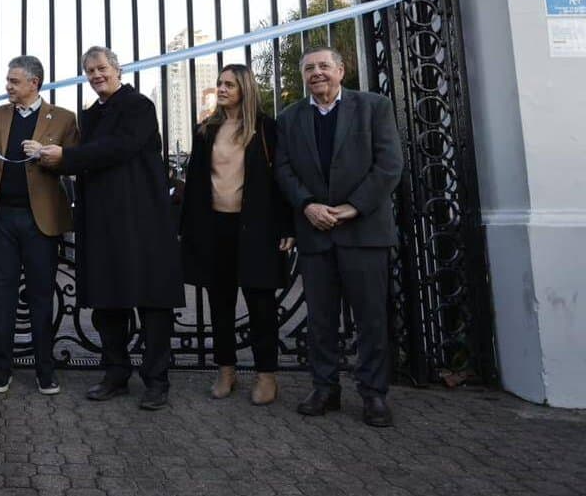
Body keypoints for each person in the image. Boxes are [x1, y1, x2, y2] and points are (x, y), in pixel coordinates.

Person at [38, 46, 184, 411]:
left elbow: (120, 147)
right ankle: (115, 373)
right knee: (107, 301)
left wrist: (67, 157)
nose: (96, 75)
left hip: (142, 218)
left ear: (117, 69)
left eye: (101, 68)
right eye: (90, 71)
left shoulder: (139, 106)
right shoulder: (90, 115)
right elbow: (82, 159)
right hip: (102, 220)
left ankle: (156, 380)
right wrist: (53, 158)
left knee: (152, 302)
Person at [274, 46, 404, 427]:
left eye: (324, 66)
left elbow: (389, 165)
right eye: (309, 68)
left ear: (341, 71)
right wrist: (307, 205)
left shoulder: (374, 107)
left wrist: (352, 207)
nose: (317, 73)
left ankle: (373, 393)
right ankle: (325, 388)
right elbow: (282, 169)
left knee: (371, 319)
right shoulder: (289, 118)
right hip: (315, 233)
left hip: (364, 232)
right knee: (321, 319)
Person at [0, 55, 78, 395]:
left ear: (34, 83)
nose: (8, 86)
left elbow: (73, 163)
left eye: (14, 81)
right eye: (8, 80)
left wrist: (48, 154)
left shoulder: (64, 118)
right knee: (1, 294)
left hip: (41, 219)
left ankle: (45, 370)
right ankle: (1, 369)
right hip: (0, 219)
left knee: (41, 294)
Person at [179, 64, 294, 405]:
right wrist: (186, 229)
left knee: (261, 304)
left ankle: (266, 375)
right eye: (219, 83)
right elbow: (194, 183)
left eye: (229, 84)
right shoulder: (206, 130)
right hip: (215, 229)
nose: (222, 89)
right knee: (220, 303)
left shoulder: (266, 128)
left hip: (256, 228)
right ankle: (226, 370)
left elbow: (280, 180)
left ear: (245, 88)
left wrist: (286, 225)